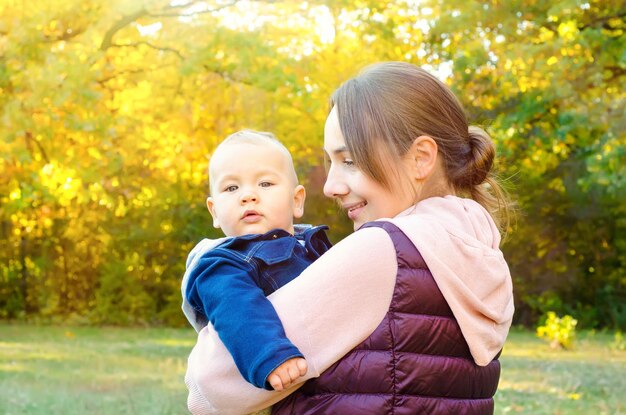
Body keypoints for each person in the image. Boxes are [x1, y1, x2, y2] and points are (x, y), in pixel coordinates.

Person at [184, 62, 515, 415]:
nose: (330, 186)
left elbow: (210, 387)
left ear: (420, 159)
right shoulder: (479, 248)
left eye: (350, 161)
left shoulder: (383, 251)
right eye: (331, 163)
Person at [181, 130, 332, 394]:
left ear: (296, 201)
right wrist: (271, 354)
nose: (248, 196)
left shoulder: (312, 243)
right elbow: (238, 309)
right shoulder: (222, 264)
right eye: (231, 188)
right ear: (214, 211)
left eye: (265, 184)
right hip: (283, 380)